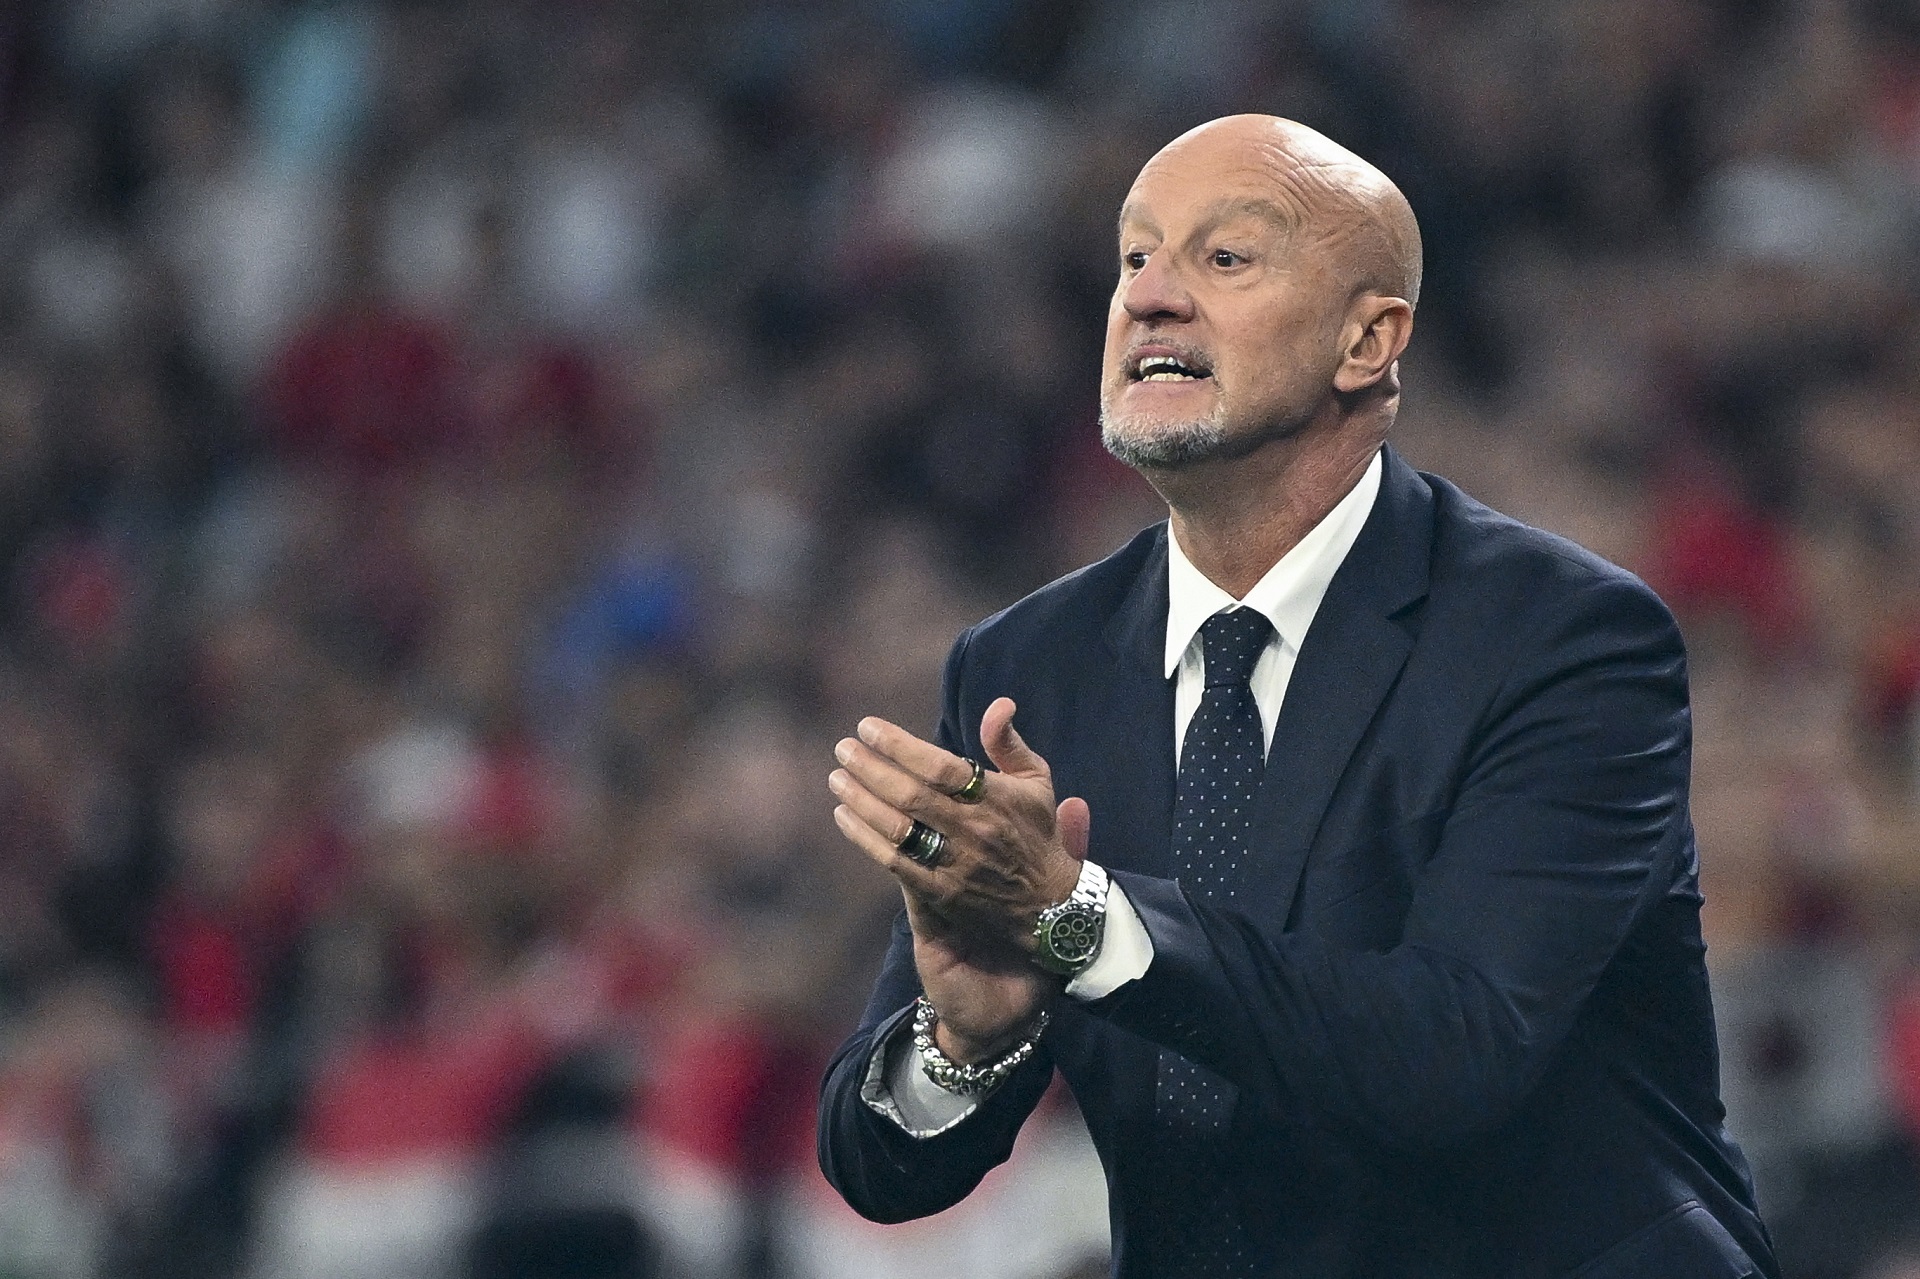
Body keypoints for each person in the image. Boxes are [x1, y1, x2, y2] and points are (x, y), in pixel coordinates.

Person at [817, 114, 1778, 1279]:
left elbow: (1456, 1052)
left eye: (1224, 258)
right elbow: (881, 1166)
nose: (1150, 296)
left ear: (1368, 340)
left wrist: (1082, 920)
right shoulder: (1027, 667)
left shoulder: (1563, 638)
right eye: (1135, 257)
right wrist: (964, 1044)